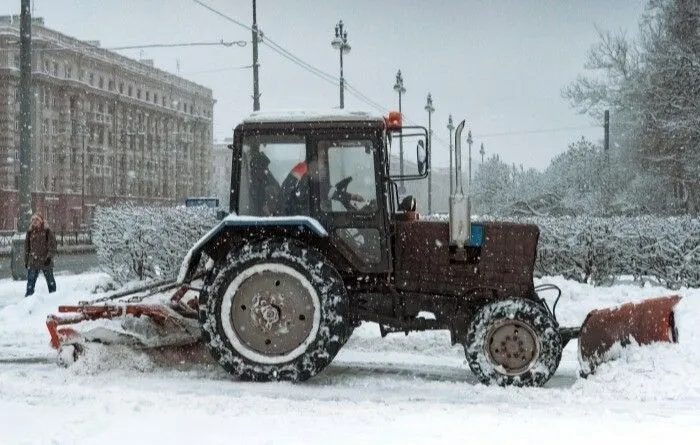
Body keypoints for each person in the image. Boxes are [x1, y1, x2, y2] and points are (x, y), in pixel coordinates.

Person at [24, 213, 57, 297]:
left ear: (41, 221)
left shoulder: (47, 231)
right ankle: (28, 299)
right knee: (30, 282)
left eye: (37, 220)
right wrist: (26, 261)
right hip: (33, 261)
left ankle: (54, 297)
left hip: (45, 260)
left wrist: (49, 258)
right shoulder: (30, 232)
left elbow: (52, 246)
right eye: (33, 220)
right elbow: (27, 248)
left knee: (50, 281)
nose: (34, 222)